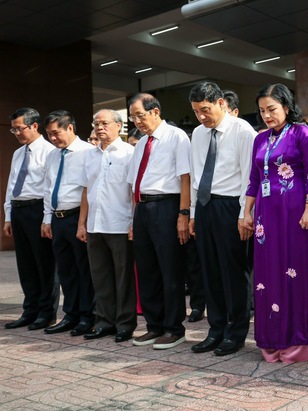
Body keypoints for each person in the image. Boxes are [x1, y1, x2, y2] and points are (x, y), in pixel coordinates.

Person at [243, 83, 308, 363]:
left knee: (295, 274)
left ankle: (297, 343)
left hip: (294, 214)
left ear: (286, 108)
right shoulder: (260, 139)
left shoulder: (302, 133)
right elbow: (254, 180)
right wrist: (247, 213)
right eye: (262, 110)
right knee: (267, 275)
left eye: (272, 109)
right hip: (267, 217)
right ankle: (271, 341)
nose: (267, 115)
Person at [188, 81, 255, 356]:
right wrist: (193, 213)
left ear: (221, 104)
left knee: (233, 272)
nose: (202, 117)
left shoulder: (243, 131)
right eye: (196, 112)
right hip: (205, 206)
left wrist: (244, 214)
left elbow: (249, 175)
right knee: (210, 271)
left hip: (231, 207)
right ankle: (215, 329)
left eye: (205, 110)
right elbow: (194, 176)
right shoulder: (197, 133)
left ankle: (236, 332)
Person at [126, 93, 191, 350]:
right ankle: (154, 326)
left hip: (167, 206)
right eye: (133, 117)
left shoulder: (177, 137)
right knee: (147, 270)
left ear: (155, 111)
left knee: (170, 269)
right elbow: (135, 184)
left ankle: (174, 328)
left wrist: (183, 215)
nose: (138, 121)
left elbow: (185, 177)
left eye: (140, 115)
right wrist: (134, 218)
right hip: (142, 209)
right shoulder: (142, 143)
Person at [76, 109, 137, 342]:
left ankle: (124, 324)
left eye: (105, 123)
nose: (100, 127)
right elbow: (86, 190)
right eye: (96, 123)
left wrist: (134, 221)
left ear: (118, 126)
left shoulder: (129, 153)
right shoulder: (89, 155)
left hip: (120, 223)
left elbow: (134, 191)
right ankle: (104, 322)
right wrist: (82, 224)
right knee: (100, 276)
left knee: (123, 278)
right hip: (94, 225)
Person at [41, 110, 96, 336]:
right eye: (49, 134)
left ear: (70, 128)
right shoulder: (52, 155)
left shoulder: (88, 152)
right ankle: (70, 315)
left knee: (84, 269)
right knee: (66, 271)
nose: (53, 138)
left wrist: (83, 223)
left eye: (56, 133)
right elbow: (47, 188)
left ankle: (87, 316)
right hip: (58, 217)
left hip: (77, 217)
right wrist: (47, 218)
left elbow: (89, 189)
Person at [3, 108, 58, 330]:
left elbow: (49, 188)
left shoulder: (49, 151)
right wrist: (8, 215)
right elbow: (10, 186)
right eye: (13, 129)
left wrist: (47, 218)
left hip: (38, 209)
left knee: (44, 263)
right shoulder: (18, 153)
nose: (17, 133)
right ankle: (30, 309)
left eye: (20, 128)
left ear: (34, 126)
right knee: (25, 264)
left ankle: (47, 312)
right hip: (18, 210)